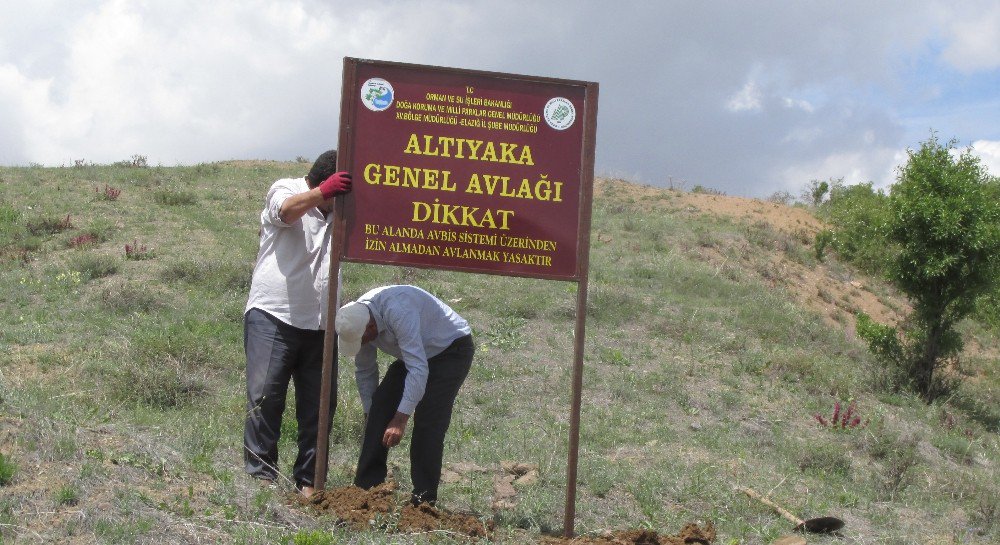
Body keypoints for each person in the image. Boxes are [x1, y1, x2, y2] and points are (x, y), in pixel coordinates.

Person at [243, 150, 352, 497]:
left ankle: (309, 482)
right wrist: (323, 194)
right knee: (266, 397)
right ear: (324, 184)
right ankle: (261, 477)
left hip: (322, 324)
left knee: (319, 408)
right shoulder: (285, 188)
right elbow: (285, 212)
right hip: (274, 315)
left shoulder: (343, 210)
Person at [336, 285, 475, 506]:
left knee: (428, 423)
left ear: (371, 327)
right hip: (417, 353)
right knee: (379, 407)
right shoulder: (354, 318)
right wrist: (370, 414)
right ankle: (367, 491)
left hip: (450, 349)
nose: (361, 345)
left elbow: (418, 369)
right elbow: (365, 370)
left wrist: (400, 419)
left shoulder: (398, 310)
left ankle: (423, 500)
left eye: (362, 340)